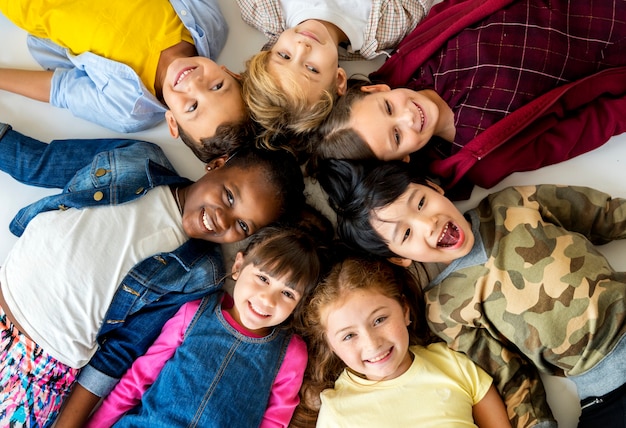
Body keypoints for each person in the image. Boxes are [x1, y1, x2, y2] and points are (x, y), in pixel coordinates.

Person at [0, 122, 306, 427]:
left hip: (41, 366)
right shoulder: (139, 158)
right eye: (228, 196)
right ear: (216, 164)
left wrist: (70, 423)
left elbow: (123, 349)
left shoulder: (201, 272)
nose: (223, 219)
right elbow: (40, 163)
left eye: (242, 226)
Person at [316, 158, 626, 428]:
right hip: (605, 391)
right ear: (399, 257)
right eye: (407, 233)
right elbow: (509, 373)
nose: (428, 224)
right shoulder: (442, 308)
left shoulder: (512, 204)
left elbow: (606, 216)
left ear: (434, 187)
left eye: (421, 202)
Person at [311, 0, 626, 198]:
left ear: (377, 90)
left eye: (389, 108)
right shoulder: (482, 157)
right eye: (397, 136)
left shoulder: (418, 57)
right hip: (614, 49)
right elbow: (587, 128)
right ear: (402, 159)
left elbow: (453, 7)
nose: (407, 117)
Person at [79, 222, 332, 427]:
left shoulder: (290, 353)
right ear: (238, 266)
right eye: (263, 278)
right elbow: (137, 379)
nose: (268, 299)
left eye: (287, 294)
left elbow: (275, 421)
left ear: (299, 305)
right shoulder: (194, 312)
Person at [0, 0, 247, 157]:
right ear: (230, 72)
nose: (195, 85)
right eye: (217, 86)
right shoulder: (210, 25)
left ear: (173, 122)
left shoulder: (128, 109)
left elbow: (60, 89)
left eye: (192, 107)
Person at [295, 254, 510, 427]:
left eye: (379, 320)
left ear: (405, 310)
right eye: (349, 336)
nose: (372, 343)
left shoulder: (453, 364)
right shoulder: (336, 412)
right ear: (332, 346)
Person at [236, 0, 433, 153]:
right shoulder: (388, 27)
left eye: (284, 56)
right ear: (339, 80)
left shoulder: (264, 9)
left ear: (269, 50)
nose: (302, 48)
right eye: (312, 69)